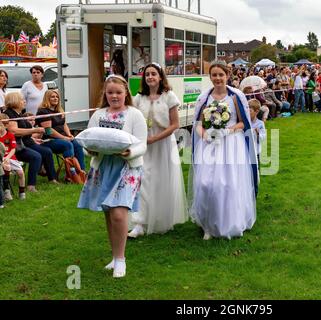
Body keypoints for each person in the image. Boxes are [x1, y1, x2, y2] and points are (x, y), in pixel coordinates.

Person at [77, 75, 147, 278]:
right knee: (108, 213)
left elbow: (142, 143)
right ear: (105, 94)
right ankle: (115, 256)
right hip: (103, 167)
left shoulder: (135, 115)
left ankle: (121, 260)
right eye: (110, 93)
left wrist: (129, 153)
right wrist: (89, 151)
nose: (114, 96)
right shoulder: (98, 114)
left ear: (126, 93)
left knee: (118, 214)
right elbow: (89, 140)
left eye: (118, 92)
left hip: (127, 168)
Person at [189, 60, 258, 240]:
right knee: (204, 183)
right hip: (209, 145)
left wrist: (227, 130)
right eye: (214, 75)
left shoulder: (236, 96)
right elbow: (197, 124)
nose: (218, 78)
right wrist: (205, 134)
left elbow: (244, 122)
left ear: (227, 75)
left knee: (227, 185)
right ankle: (207, 223)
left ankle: (227, 221)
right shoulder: (204, 98)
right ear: (210, 77)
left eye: (221, 74)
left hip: (231, 144)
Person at [128, 62, 188, 237]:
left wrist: (155, 138)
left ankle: (161, 218)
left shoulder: (169, 96)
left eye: (154, 74)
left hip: (162, 144)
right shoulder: (139, 98)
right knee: (143, 179)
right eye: (147, 74)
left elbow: (175, 124)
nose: (150, 77)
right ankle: (140, 222)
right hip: (143, 144)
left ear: (160, 76)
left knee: (161, 180)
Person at [3, 92, 57, 192]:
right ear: (14, 101)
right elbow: (14, 132)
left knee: (47, 151)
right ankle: (31, 185)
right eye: (22, 99)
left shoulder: (18, 113)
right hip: (16, 147)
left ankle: (52, 178)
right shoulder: (10, 114)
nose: (24, 101)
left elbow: (24, 132)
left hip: (26, 142)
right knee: (36, 156)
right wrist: (35, 130)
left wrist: (34, 137)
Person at [36, 90, 86, 171]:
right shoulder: (43, 111)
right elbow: (48, 131)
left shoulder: (59, 110)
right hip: (48, 140)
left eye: (57, 97)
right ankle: (71, 173)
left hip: (63, 138)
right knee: (67, 144)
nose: (55, 99)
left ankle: (81, 171)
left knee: (77, 144)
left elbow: (64, 124)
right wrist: (64, 138)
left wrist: (69, 135)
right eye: (52, 97)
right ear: (47, 98)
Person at [0, 116, 26, 200]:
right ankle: (6, 191)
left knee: (21, 173)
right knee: (6, 166)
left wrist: (7, 157)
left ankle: (22, 192)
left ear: (6, 126)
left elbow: (13, 149)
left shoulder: (10, 135)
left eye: (1, 125)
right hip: (1, 159)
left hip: (11, 157)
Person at [248, 99, 266, 166]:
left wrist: (258, 133)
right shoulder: (244, 123)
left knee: (255, 169)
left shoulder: (260, 124)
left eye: (250, 111)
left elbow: (263, 138)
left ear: (256, 111)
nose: (247, 113)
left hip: (256, 152)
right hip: (245, 151)